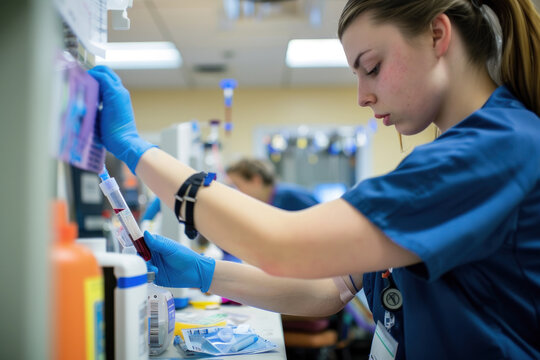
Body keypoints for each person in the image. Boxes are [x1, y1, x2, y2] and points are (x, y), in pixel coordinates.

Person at [88, 0, 540, 358]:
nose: (363, 95)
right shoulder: (456, 155)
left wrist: (134, 148)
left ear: (438, 35)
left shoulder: (495, 150)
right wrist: (203, 272)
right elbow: (330, 289)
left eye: (372, 66)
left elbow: (281, 245)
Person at [225, 157, 319, 211]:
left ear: (256, 180)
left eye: (235, 185)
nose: (234, 191)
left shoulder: (292, 198)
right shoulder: (265, 203)